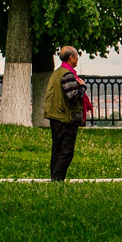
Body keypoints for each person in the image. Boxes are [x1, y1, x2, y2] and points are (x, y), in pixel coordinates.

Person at [43, 46, 89, 182]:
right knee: (66, 152)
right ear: (71, 58)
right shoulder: (68, 75)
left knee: (57, 150)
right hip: (66, 118)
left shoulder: (57, 72)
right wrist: (82, 87)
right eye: (76, 56)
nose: (77, 59)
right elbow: (73, 97)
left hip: (56, 116)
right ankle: (57, 180)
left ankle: (55, 179)